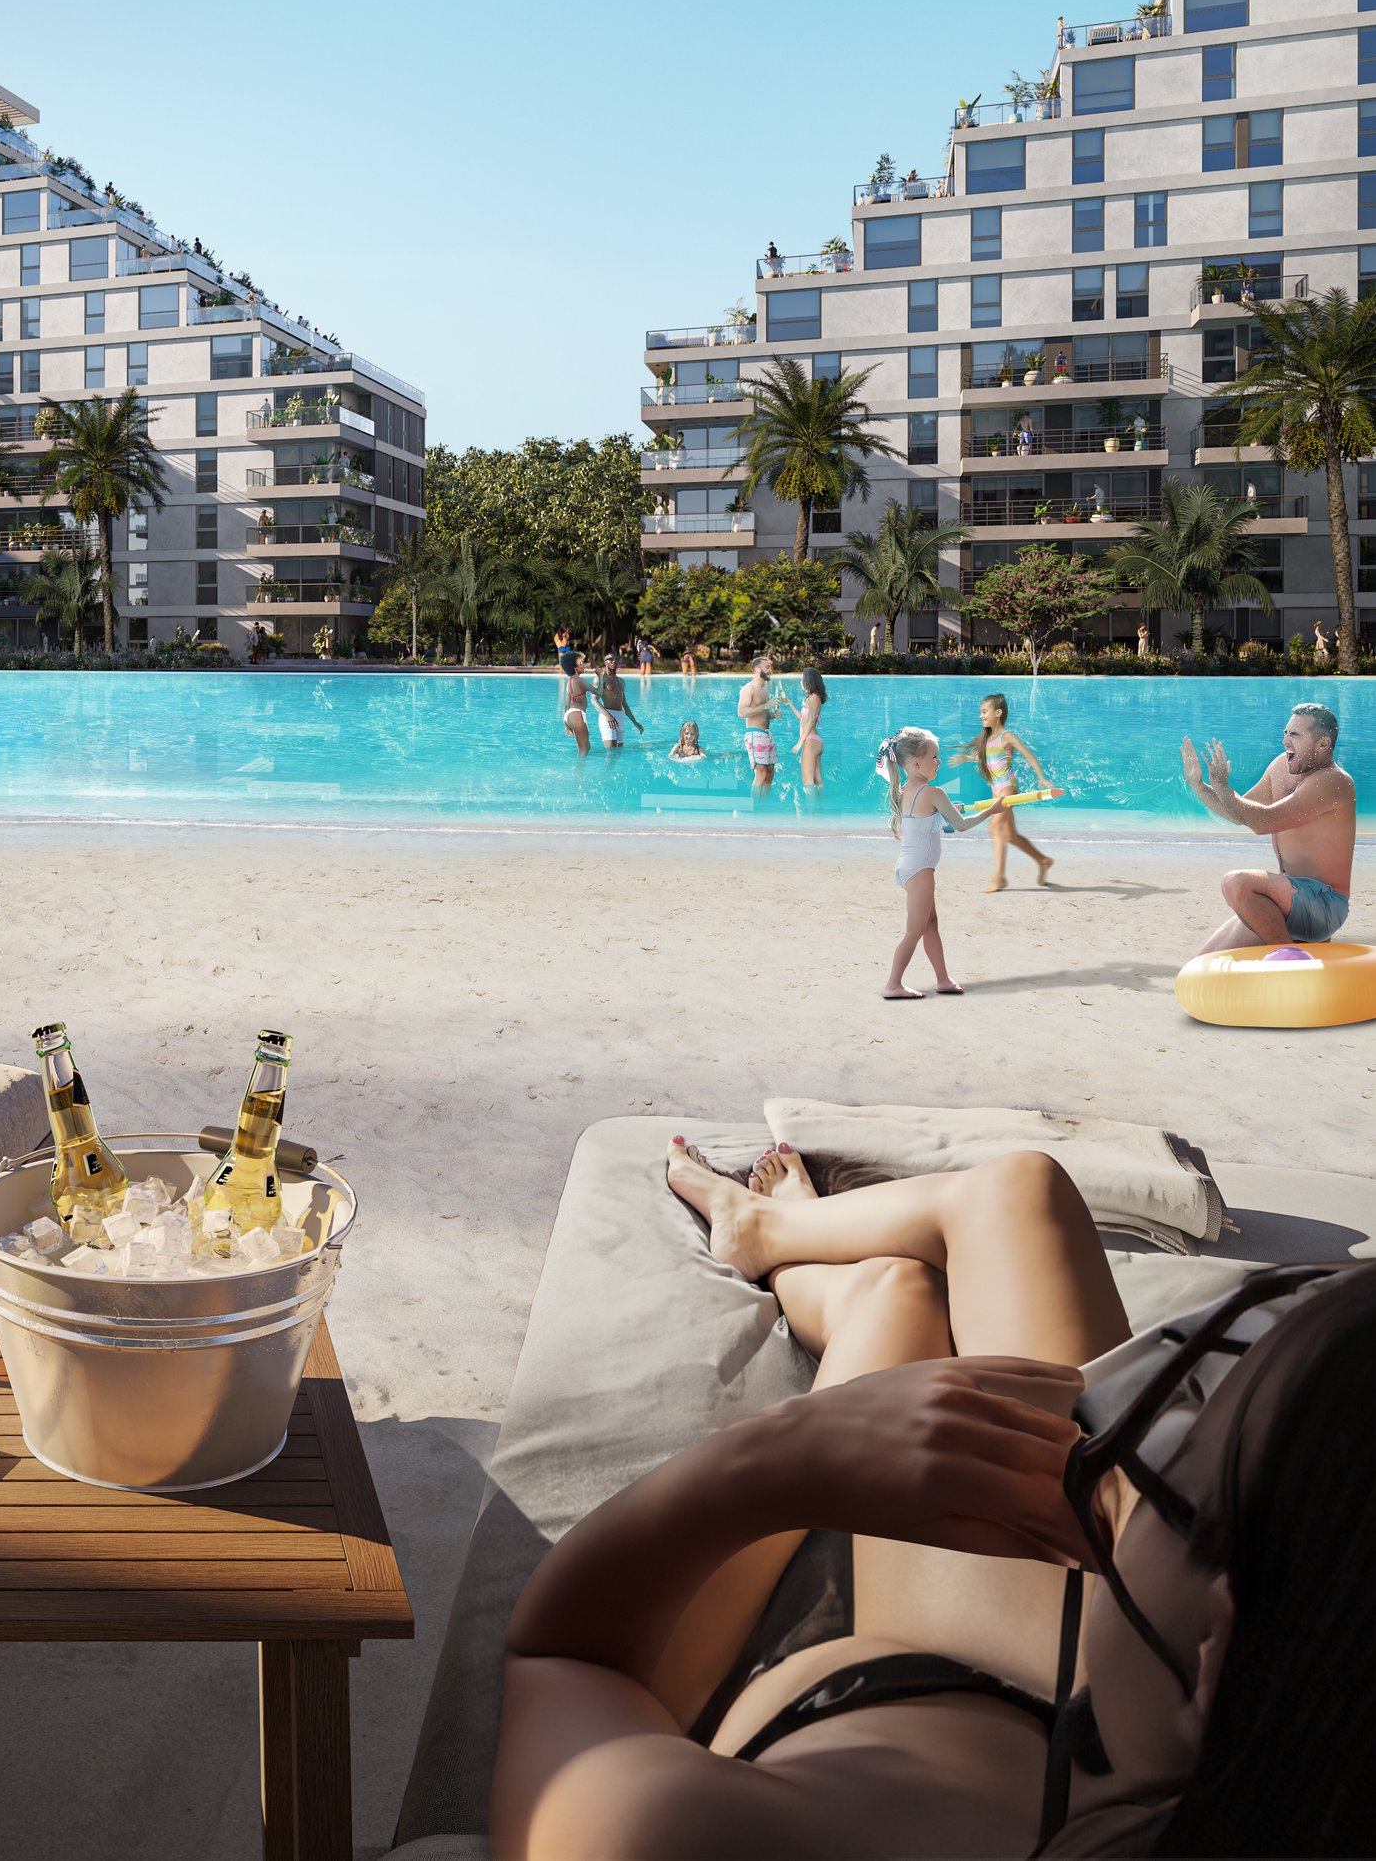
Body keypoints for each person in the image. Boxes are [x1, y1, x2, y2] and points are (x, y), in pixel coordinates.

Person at [492, 1138, 1376, 1859]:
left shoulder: (715, 1837)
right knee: (1015, 1192)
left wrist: (770, 1464)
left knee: (899, 1289)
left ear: (1223, 1636)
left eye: (1180, 1453)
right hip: (1099, 1733)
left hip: (920, 1695)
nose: (1113, 1438)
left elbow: (567, 1663)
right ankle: (771, 1230)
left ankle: (792, 1252)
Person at [1181, 703, 1356, 946]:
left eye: (1294, 734)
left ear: (1323, 743)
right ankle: (1292, 952)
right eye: (1285, 733)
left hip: (1323, 905)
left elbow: (1264, 822)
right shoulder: (1281, 767)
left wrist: (1223, 787)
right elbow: (1239, 813)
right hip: (1286, 900)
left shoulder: (1333, 781)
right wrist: (1199, 785)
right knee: (1205, 961)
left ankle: (1287, 958)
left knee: (1237, 882)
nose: (1286, 741)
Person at [876, 726, 994, 998]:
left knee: (930, 925)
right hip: (919, 871)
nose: (939, 762)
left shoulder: (907, 790)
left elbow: (934, 825)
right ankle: (893, 984)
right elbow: (961, 825)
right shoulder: (933, 792)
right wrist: (993, 809)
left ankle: (943, 979)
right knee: (914, 930)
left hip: (910, 867)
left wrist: (950, 814)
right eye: (934, 757)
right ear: (916, 763)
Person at [952, 692, 1056, 892]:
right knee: (1009, 835)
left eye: (984, 712)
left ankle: (999, 877)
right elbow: (987, 758)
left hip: (1008, 787)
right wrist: (965, 759)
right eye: (980, 712)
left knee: (995, 827)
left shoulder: (1006, 736)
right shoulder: (988, 738)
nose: (981, 716)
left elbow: (1029, 756)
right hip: (995, 790)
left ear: (997, 713)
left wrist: (1042, 778)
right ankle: (1043, 860)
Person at [738, 655, 780, 791]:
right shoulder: (748, 688)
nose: (770, 670)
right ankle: (755, 809)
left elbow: (763, 714)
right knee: (760, 772)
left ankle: (764, 806)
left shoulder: (765, 691)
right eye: (767, 667)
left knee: (770, 772)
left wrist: (772, 715)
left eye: (770, 667)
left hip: (766, 734)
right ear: (757, 669)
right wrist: (765, 705)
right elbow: (742, 713)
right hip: (754, 734)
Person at [596, 651, 643, 750]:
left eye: (616, 660)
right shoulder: (601, 679)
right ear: (605, 662)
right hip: (607, 716)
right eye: (610, 659)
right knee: (611, 753)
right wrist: (607, 715)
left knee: (618, 753)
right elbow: (594, 700)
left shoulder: (621, 681)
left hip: (619, 716)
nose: (613, 661)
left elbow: (624, 704)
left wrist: (635, 722)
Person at [796, 665, 827, 790]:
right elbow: (803, 719)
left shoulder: (814, 697)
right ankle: (821, 808)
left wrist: (799, 743)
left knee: (807, 783)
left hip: (810, 740)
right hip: (812, 740)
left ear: (808, 680)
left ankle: (811, 810)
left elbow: (811, 720)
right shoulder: (811, 697)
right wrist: (790, 704)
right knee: (817, 781)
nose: (800, 682)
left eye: (802, 679)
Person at [559, 657, 592, 755]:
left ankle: (580, 768)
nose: (583, 665)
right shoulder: (580, 681)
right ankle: (578, 770)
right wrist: (600, 676)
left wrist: (566, 725)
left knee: (587, 747)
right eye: (581, 664)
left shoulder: (569, 682)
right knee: (583, 750)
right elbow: (598, 692)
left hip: (569, 716)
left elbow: (566, 706)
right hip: (577, 714)